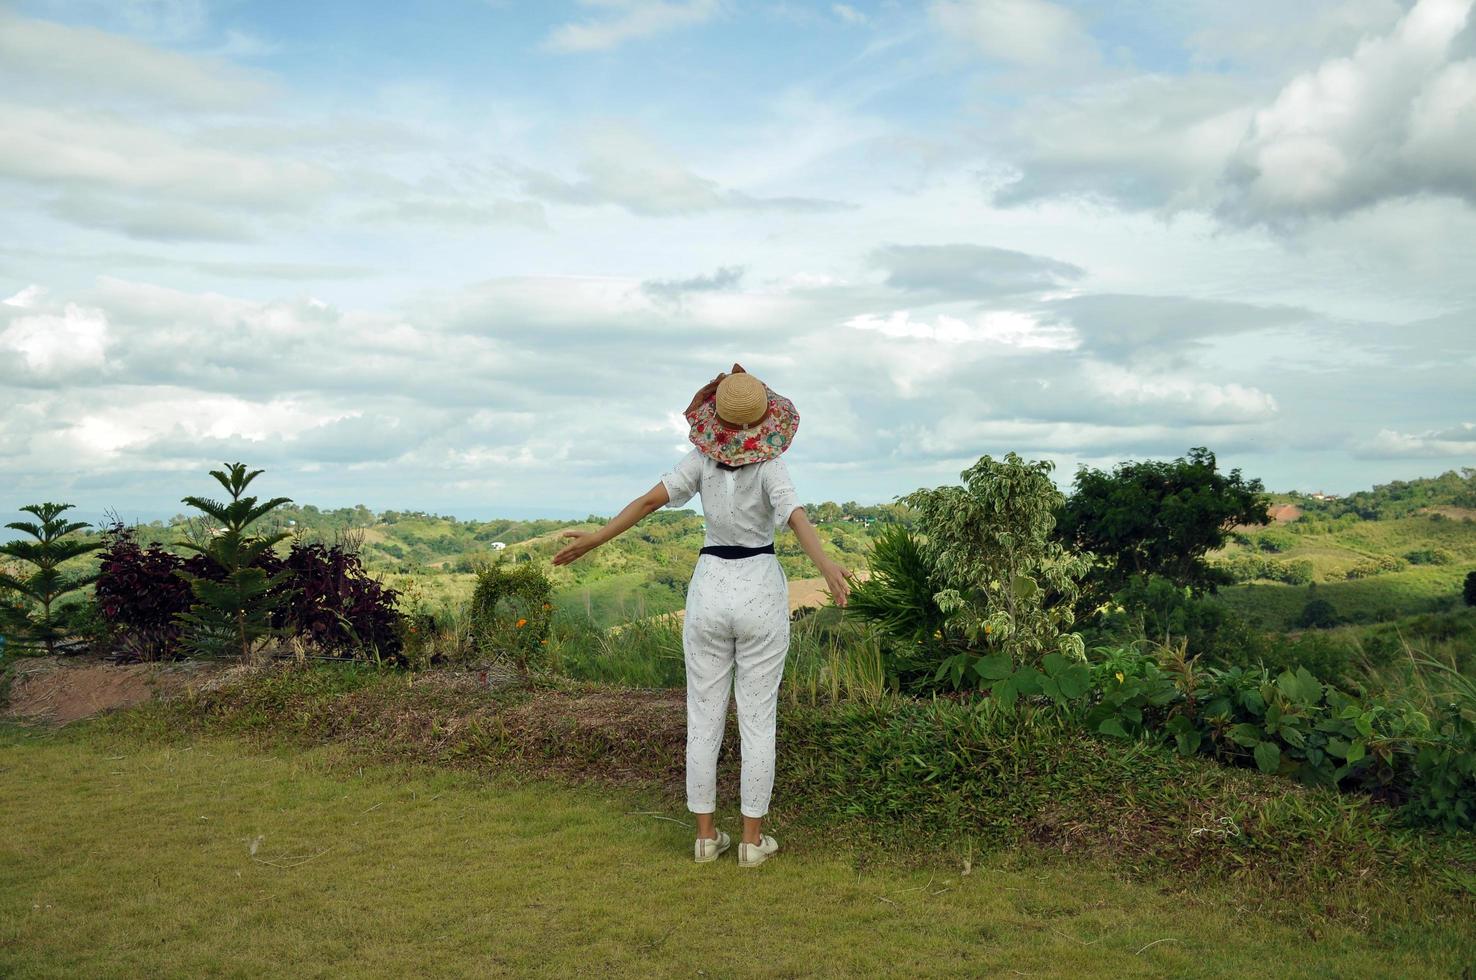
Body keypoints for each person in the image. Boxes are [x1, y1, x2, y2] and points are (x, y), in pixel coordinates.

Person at [553, 364, 852, 867]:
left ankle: (706, 837)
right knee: (758, 720)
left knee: (704, 716)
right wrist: (825, 565)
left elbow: (650, 501)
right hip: (758, 585)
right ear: (765, 420)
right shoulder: (771, 467)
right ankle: (753, 842)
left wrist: (596, 539)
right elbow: (795, 516)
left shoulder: (699, 462)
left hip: (710, 588)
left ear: (716, 420)